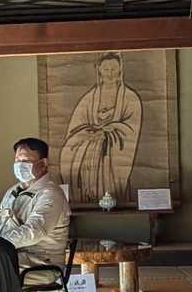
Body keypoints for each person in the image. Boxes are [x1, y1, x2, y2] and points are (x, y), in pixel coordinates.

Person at [59, 51, 144, 204]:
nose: (110, 73)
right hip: (89, 152)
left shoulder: (130, 98)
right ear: (99, 70)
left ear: (120, 70)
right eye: (106, 69)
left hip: (112, 153)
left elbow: (131, 129)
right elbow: (75, 128)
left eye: (113, 69)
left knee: (110, 185)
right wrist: (88, 133)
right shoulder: (89, 98)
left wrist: (108, 133)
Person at [0, 137, 72, 282]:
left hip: (42, 263)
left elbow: (34, 231)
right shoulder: (13, 191)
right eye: (17, 161)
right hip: (15, 255)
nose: (20, 165)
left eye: (25, 161)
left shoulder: (51, 194)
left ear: (43, 163)